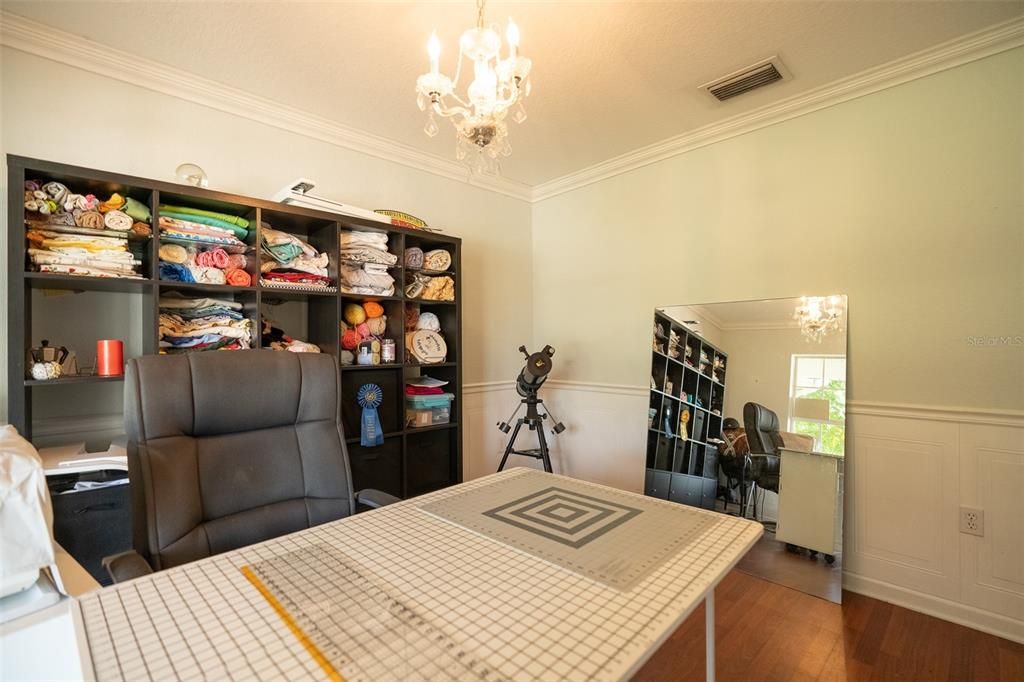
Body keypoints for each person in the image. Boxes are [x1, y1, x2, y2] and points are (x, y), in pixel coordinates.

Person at [717, 417, 750, 507]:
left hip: (726, 469)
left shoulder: (720, 435)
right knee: (747, 472)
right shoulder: (743, 436)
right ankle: (744, 503)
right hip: (741, 469)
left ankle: (731, 493)